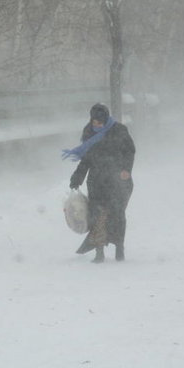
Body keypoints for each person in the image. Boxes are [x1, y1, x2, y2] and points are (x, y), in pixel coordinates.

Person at [62, 103, 135, 263]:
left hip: (118, 180)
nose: (97, 125)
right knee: (97, 216)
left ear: (106, 119)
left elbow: (129, 151)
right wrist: (77, 178)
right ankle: (99, 251)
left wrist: (126, 169)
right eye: (94, 122)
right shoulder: (89, 132)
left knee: (117, 215)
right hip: (97, 182)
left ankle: (119, 248)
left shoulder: (119, 130)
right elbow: (86, 159)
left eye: (100, 122)